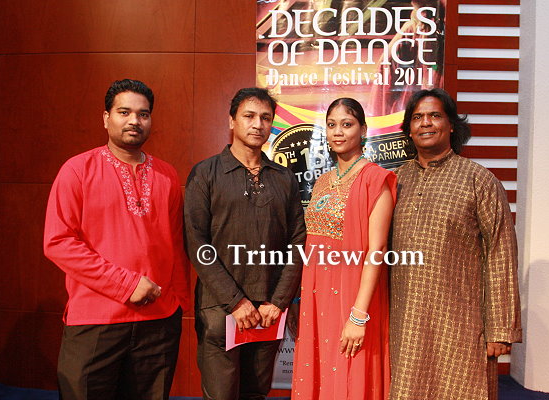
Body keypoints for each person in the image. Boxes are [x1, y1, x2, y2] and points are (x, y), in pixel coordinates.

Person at [43, 79, 190, 400]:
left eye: (143, 114)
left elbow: (176, 245)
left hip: (159, 322)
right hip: (95, 320)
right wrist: (126, 284)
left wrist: (178, 303)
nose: (134, 120)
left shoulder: (167, 175)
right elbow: (58, 242)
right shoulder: (77, 170)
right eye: (124, 112)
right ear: (106, 117)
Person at [389, 88, 522, 400]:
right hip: (405, 323)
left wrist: (500, 329)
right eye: (417, 117)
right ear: (409, 129)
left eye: (435, 115)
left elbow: (501, 254)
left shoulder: (479, 180)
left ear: (451, 125)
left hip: (462, 324)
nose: (426, 123)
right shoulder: (395, 181)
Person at [184, 87, 306, 400]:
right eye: (249, 116)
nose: (257, 124)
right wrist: (236, 302)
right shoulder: (206, 173)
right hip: (219, 309)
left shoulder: (284, 178)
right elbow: (197, 242)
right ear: (232, 121)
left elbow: (297, 244)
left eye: (265, 118)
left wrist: (278, 302)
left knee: (256, 394)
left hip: (268, 311)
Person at [291, 98, 397, 400]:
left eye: (347, 124)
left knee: (349, 376)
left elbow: (377, 249)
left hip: (353, 298)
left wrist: (359, 315)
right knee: (320, 372)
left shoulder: (376, 180)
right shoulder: (322, 182)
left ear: (363, 130)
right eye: (332, 125)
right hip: (316, 296)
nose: (338, 132)